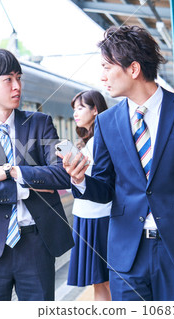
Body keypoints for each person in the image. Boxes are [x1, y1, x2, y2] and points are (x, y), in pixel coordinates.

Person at [64, 25, 174, 301]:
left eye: (107, 67)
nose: (102, 77)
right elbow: (104, 187)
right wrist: (80, 180)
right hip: (127, 254)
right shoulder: (106, 123)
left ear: (133, 69)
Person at [0, 48, 73, 301]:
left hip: (37, 244)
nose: (17, 86)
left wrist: (12, 171)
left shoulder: (40, 123)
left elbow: (62, 176)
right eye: (8, 79)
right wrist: (29, 184)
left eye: (19, 78)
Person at [65, 90, 111, 301]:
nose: (75, 113)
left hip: (99, 216)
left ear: (95, 110)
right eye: (74, 109)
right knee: (98, 281)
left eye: (81, 108)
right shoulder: (86, 143)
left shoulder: (99, 142)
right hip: (86, 215)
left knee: (106, 280)